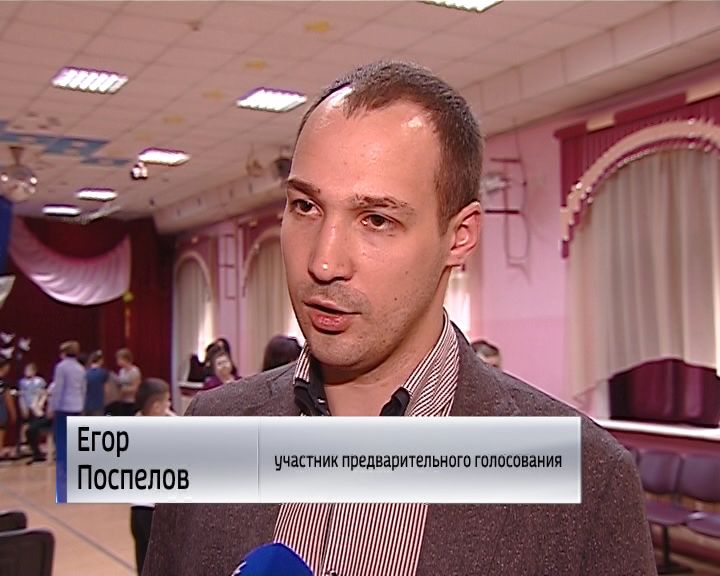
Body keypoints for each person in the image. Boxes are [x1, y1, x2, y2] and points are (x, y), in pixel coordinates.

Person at [144, 61, 655, 575]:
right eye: (305, 207)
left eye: (376, 219)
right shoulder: (210, 430)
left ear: (459, 238)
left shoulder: (588, 480)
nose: (323, 262)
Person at [131, 378, 175, 575]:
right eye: (167, 401)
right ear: (157, 407)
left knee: (144, 565)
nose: (169, 406)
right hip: (153, 512)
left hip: (137, 511)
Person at [49, 341, 86, 486]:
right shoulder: (81, 368)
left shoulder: (61, 367)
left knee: (61, 439)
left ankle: (64, 469)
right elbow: (83, 389)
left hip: (64, 407)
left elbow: (58, 389)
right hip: (77, 406)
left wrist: (52, 406)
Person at [18, 362, 51, 463]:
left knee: (35, 427)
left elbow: (44, 394)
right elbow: (22, 396)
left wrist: (40, 404)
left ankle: (38, 450)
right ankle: (29, 448)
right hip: (28, 407)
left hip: (38, 408)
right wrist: (23, 407)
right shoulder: (22, 382)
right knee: (27, 427)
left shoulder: (39, 381)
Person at [108, 348, 141, 417]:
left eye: (119, 359)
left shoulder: (134, 371)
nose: (117, 361)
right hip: (122, 401)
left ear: (126, 359)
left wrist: (123, 390)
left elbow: (136, 388)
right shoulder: (121, 371)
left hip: (131, 401)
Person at [84, 350, 109, 416]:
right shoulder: (103, 373)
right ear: (100, 360)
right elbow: (106, 390)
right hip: (98, 404)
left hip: (86, 404)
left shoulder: (85, 372)